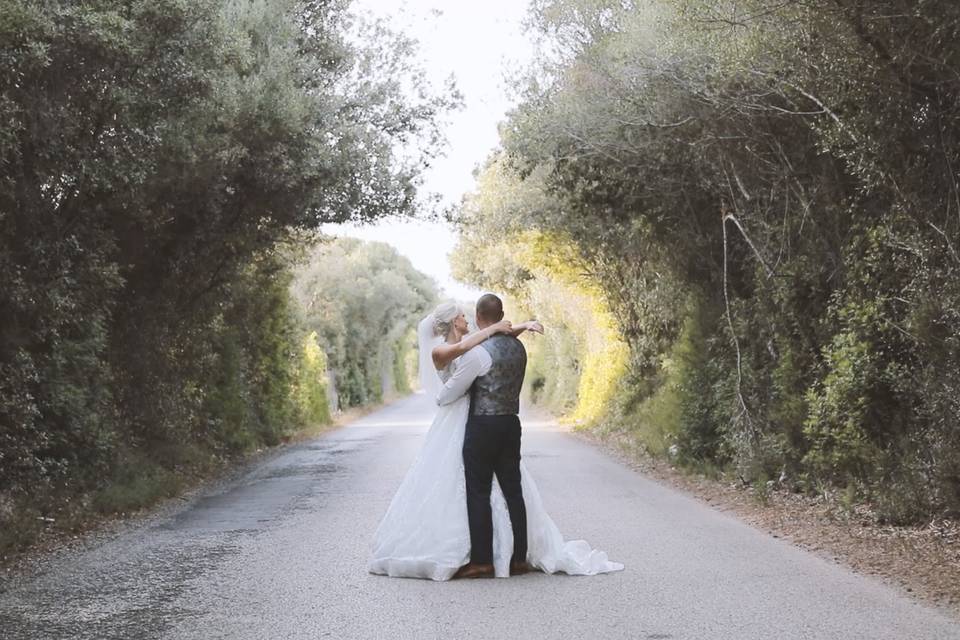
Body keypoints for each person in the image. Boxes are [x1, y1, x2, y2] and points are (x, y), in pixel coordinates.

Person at [367, 296, 623, 580]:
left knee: (478, 490)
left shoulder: (477, 353)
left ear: (478, 318)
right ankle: (519, 559)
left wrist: (464, 384)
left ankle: (482, 561)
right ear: (497, 317)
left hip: (481, 425)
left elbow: (448, 393)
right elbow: (484, 340)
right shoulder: (516, 348)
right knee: (513, 490)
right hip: (511, 424)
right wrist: (519, 326)